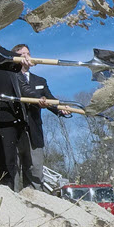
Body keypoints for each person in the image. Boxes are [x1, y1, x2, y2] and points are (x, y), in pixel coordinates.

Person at [14, 43, 68, 185]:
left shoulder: (40, 81)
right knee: (13, 169)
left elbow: (50, 99)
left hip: (34, 132)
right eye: (23, 54)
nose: (27, 57)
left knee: (35, 170)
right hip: (15, 130)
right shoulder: (11, 77)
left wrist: (61, 108)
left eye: (28, 54)